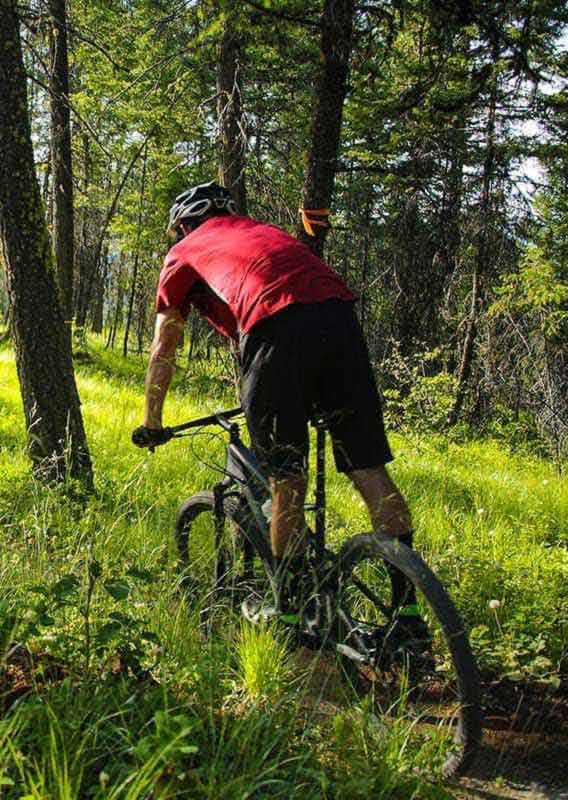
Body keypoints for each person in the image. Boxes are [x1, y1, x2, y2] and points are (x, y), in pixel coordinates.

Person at [132, 181, 425, 634]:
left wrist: (152, 421)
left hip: (276, 328)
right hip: (340, 319)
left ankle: (286, 612)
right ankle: (407, 613)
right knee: (370, 470)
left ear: (184, 226)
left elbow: (164, 345)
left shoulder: (185, 251)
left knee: (285, 479)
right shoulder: (263, 233)